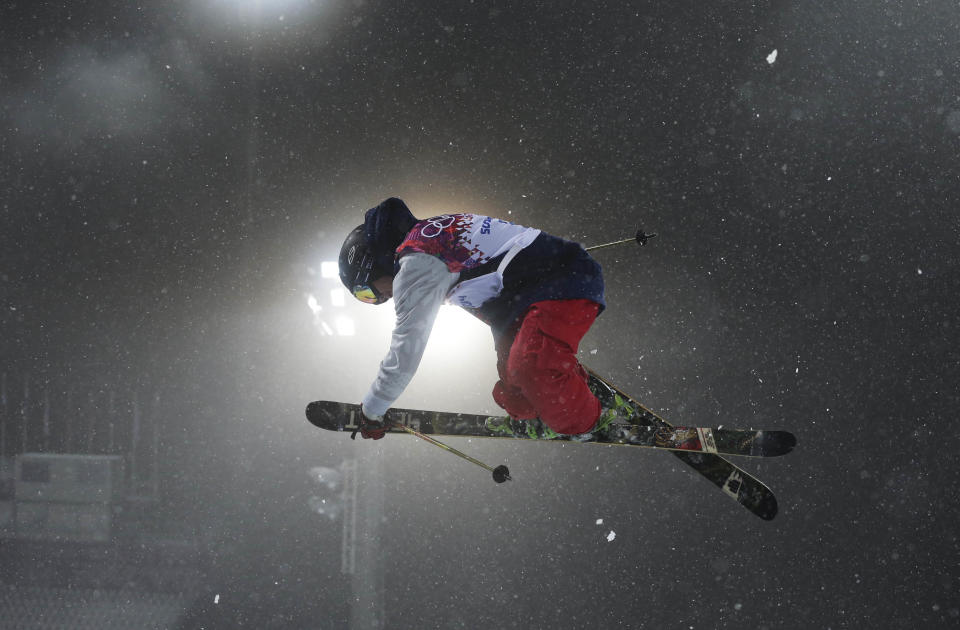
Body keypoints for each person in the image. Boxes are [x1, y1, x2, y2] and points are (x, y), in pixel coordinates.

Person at [337, 197, 624, 440]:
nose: (380, 299)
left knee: (531, 369)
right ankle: (557, 404)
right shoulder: (424, 240)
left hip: (561, 283)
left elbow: (406, 351)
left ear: (371, 266)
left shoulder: (417, 263)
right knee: (516, 390)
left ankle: (592, 421)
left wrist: (373, 408)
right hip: (522, 301)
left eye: (367, 293)